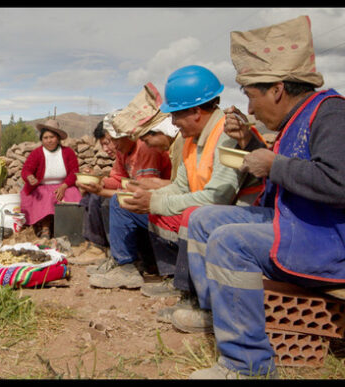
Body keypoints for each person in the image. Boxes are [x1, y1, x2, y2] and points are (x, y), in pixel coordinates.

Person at [177, 15, 345, 379]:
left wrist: (273, 165)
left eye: (252, 97)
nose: (250, 108)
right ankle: (216, 314)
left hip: (326, 237)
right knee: (204, 219)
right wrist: (250, 143)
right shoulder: (297, 118)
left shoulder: (332, 114)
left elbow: (338, 182)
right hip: (296, 222)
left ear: (278, 89)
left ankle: (247, 364)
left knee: (230, 241)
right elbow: (290, 168)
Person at [90, 65, 262, 292]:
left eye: (176, 115)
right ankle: (128, 268)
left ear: (195, 112)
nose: (173, 123)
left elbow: (218, 197)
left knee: (193, 216)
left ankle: (187, 288)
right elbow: (181, 186)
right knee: (125, 204)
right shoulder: (191, 139)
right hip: (203, 207)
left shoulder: (226, 135)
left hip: (234, 215)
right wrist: (148, 197)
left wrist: (155, 202)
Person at [79, 83, 173, 250]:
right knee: (93, 198)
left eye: (114, 140)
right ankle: (99, 247)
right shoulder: (123, 151)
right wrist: (98, 183)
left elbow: (143, 190)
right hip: (149, 195)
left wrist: (101, 190)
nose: (113, 146)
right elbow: (117, 178)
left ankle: (126, 260)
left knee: (114, 203)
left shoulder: (146, 148)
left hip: (160, 200)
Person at [20, 119, 82, 239]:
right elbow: (26, 170)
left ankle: (70, 228)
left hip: (63, 185)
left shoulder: (67, 152)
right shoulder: (37, 153)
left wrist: (64, 186)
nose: (49, 140)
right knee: (44, 197)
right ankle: (45, 228)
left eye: (52, 137)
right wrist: (30, 177)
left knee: (73, 194)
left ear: (58, 138)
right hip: (41, 186)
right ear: (42, 139)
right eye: (45, 137)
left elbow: (74, 172)